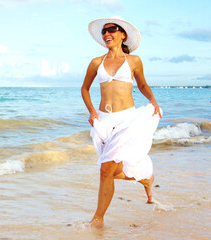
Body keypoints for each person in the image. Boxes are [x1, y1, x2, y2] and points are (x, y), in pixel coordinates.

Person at [80, 16, 162, 228]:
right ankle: (145, 179)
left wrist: (153, 101)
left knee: (105, 170)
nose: (107, 33)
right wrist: (91, 112)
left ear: (123, 34)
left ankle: (97, 219)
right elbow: (84, 89)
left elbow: (142, 85)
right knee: (111, 171)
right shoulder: (96, 62)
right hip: (103, 121)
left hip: (127, 120)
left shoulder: (134, 61)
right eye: (104, 31)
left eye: (112, 29)